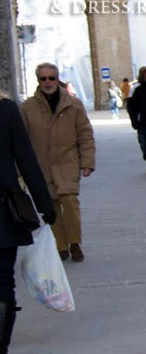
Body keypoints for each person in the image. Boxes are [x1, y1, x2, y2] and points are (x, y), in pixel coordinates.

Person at [1, 90, 57, 354]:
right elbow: (26, 160)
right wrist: (45, 204)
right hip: (3, 212)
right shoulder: (6, 110)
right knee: (2, 282)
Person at [21, 62, 96, 263]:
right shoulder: (28, 107)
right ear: (38, 81)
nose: (47, 82)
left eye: (51, 78)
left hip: (67, 162)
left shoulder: (73, 104)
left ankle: (74, 243)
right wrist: (21, 172)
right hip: (42, 165)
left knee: (70, 201)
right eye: (43, 79)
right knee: (51, 206)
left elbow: (85, 134)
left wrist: (87, 161)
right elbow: (21, 141)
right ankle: (60, 246)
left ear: (57, 79)